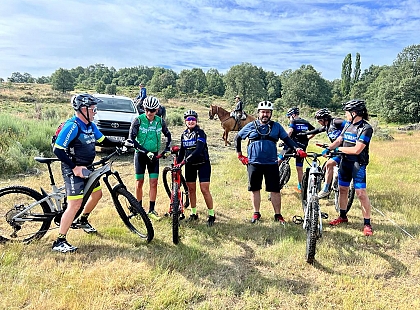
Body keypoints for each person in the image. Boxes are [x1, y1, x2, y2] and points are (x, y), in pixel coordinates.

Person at [52, 93, 125, 253]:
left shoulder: (90, 125)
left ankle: (82, 220)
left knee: (97, 195)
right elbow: (58, 150)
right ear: (83, 109)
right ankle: (59, 241)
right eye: (93, 109)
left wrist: (122, 142)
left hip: (87, 167)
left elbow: (103, 140)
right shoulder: (73, 126)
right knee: (75, 204)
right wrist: (74, 167)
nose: (95, 112)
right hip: (73, 168)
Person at [235, 101, 307, 223]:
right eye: (263, 112)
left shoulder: (276, 126)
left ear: (271, 114)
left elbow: (287, 140)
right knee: (255, 188)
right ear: (258, 113)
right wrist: (240, 155)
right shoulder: (251, 125)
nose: (265, 114)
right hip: (254, 162)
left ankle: (278, 215)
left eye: (268, 112)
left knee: (275, 190)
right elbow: (238, 137)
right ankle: (256, 213)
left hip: (271, 163)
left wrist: (297, 148)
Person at [324, 99, 374, 236]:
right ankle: (342, 216)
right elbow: (340, 139)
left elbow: (357, 150)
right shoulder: (348, 125)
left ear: (354, 113)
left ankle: (367, 224)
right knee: (342, 189)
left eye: (347, 112)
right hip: (345, 162)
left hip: (358, 164)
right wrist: (329, 148)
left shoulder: (366, 128)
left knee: (361, 193)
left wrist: (337, 150)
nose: (345, 114)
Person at [128, 96, 172, 221]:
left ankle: (152, 210)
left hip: (154, 156)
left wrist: (167, 149)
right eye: (147, 110)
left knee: (153, 183)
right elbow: (132, 139)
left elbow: (168, 135)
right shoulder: (138, 120)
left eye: (152, 110)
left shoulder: (160, 121)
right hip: (141, 155)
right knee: (139, 183)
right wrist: (146, 152)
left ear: (157, 110)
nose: (149, 113)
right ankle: (139, 208)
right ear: (144, 108)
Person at [175, 110, 216, 226]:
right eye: (188, 119)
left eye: (193, 119)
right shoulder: (184, 134)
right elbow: (182, 151)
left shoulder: (200, 133)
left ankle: (212, 214)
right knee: (191, 190)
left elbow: (198, 150)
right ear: (185, 121)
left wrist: (184, 161)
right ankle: (194, 213)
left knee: (204, 190)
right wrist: (178, 164)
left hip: (203, 163)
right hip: (189, 166)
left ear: (196, 121)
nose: (191, 121)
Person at [301, 108, 348, 198]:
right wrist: (303, 134)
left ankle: (325, 190)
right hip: (336, 149)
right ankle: (333, 181)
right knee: (330, 164)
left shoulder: (336, 122)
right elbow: (317, 130)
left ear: (323, 119)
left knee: (329, 164)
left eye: (319, 120)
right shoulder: (327, 126)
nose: (318, 122)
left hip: (344, 149)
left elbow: (349, 125)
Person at [279, 107, 315, 192]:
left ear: (293, 115)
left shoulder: (293, 121)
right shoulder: (306, 122)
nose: (289, 119)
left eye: (289, 117)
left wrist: (283, 140)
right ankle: (300, 186)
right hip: (302, 147)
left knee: (278, 160)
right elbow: (314, 131)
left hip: (290, 145)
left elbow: (290, 132)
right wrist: (308, 139)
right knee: (299, 167)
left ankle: (272, 179)